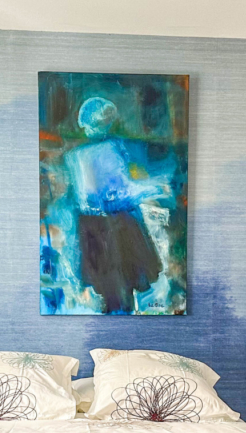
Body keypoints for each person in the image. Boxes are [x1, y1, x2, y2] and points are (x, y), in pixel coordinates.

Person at [63, 97, 172, 314]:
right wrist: (154, 188)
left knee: (111, 294)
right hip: (115, 229)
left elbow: (88, 199)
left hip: (92, 230)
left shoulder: (76, 156)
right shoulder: (106, 150)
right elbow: (118, 194)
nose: (108, 125)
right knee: (121, 292)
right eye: (105, 121)